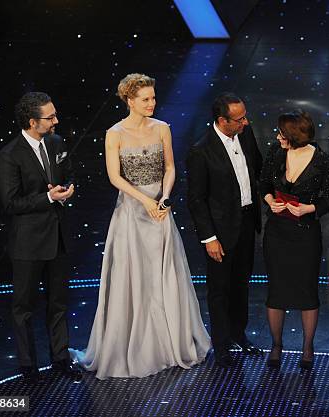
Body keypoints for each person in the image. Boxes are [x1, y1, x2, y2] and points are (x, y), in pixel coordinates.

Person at [70, 73, 210, 379]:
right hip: (132, 213)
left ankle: (169, 343)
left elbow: (170, 167)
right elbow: (114, 177)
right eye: (145, 99)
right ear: (129, 100)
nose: (152, 103)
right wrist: (144, 201)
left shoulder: (162, 129)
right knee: (134, 277)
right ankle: (132, 346)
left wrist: (164, 197)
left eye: (154, 97)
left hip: (160, 211)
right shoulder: (114, 133)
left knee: (164, 275)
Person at [0, 91, 82, 383]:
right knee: (24, 307)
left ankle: (60, 359)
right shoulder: (10, 155)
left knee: (58, 303)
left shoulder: (56, 143)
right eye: (50, 117)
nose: (56, 121)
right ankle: (28, 367)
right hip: (28, 243)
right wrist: (47, 197)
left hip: (57, 237)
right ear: (33, 122)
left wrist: (68, 189)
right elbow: (10, 203)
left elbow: (68, 173)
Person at [186, 92, 263, 368]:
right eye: (240, 119)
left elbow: (257, 169)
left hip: (246, 222)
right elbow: (196, 199)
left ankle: (238, 334)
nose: (246, 122)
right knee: (219, 289)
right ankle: (221, 346)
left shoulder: (246, 133)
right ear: (222, 120)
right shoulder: (201, 150)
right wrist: (209, 238)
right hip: (219, 231)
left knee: (241, 283)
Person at [260, 110, 329, 370]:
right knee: (277, 291)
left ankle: (307, 347)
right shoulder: (275, 153)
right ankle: (276, 345)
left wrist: (308, 208)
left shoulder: (323, 161)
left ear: (294, 135)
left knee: (306, 292)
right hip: (277, 233)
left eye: (282, 133)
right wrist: (270, 201)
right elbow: (263, 184)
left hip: (305, 234)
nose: (278, 137)